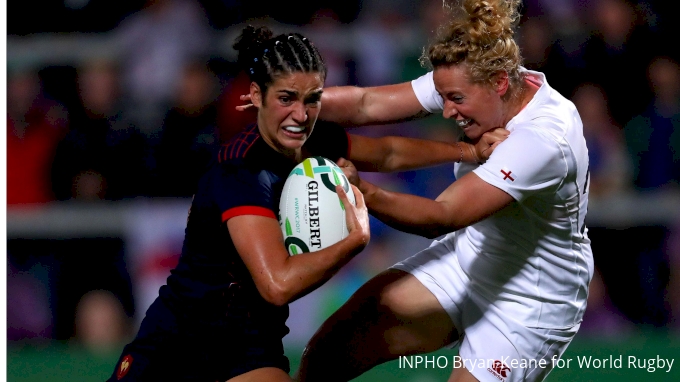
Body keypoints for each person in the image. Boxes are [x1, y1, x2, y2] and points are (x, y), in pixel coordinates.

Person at [108, 24, 504, 382]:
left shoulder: (313, 142)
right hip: (179, 345)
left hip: (249, 346)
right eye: (286, 98)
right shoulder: (242, 172)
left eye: (312, 99)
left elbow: (387, 153)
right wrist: (352, 241)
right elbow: (278, 285)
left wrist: (468, 153)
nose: (301, 114)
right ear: (255, 96)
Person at [294, 1, 594, 381]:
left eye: (455, 100)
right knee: (331, 347)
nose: (447, 110)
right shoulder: (476, 79)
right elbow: (367, 103)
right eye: (444, 97)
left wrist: (359, 190)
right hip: (471, 257)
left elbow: (442, 216)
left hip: (530, 301)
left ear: (500, 83)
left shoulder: (543, 140)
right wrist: (295, 103)